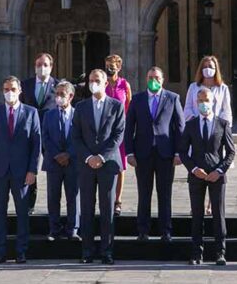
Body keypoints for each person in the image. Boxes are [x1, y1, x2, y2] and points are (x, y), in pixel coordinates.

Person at [0, 76, 41, 264]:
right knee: (0, 212)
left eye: (13, 89)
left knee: (22, 213)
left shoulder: (31, 113)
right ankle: (0, 251)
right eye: (6, 89)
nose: (9, 92)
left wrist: (33, 170)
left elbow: (36, 144)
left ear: (20, 90)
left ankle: (21, 251)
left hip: (22, 171)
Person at [125, 66, 184, 242]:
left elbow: (180, 127)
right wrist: (129, 152)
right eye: (150, 77)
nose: (154, 80)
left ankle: (166, 230)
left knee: (164, 194)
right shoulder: (137, 100)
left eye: (157, 77)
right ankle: (143, 230)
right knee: (144, 193)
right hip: (143, 153)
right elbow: (129, 128)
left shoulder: (173, 98)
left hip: (165, 153)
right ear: (146, 79)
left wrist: (178, 152)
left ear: (162, 79)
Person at [72, 69, 125, 265]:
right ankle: (87, 251)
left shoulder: (116, 106)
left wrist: (101, 157)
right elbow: (75, 136)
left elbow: (118, 135)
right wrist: (88, 157)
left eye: (97, 80)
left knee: (107, 209)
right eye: (91, 80)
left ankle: (107, 251)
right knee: (86, 208)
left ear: (105, 84)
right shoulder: (81, 107)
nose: (93, 83)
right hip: (86, 165)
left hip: (108, 164)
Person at [179, 88, 235, 266]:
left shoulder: (223, 124)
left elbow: (230, 152)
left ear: (213, 102)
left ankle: (220, 252)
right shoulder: (191, 124)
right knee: (197, 215)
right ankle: (197, 253)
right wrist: (193, 169)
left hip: (216, 175)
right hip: (197, 175)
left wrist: (219, 171)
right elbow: (182, 151)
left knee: (218, 214)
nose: (204, 104)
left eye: (207, 100)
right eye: (200, 101)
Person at [41, 81, 80, 240]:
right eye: (56, 94)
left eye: (62, 95)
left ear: (70, 96)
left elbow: (79, 137)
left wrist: (68, 154)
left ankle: (73, 229)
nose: (58, 97)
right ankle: (54, 229)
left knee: (73, 197)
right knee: (53, 197)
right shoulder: (48, 115)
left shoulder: (78, 114)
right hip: (53, 162)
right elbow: (45, 138)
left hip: (73, 162)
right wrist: (57, 154)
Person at [21, 52, 59, 214]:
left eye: (45, 65)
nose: (41, 68)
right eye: (38, 65)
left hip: (51, 135)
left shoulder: (58, 86)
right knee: (30, 168)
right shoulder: (25, 85)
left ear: (51, 67)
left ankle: (54, 206)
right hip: (30, 134)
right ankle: (29, 205)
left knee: (53, 170)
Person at [103, 54, 132, 216]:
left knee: (120, 166)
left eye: (113, 65)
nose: (110, 68)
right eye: (108, 65)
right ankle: (106, 198)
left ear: (119, 67)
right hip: (104, 130)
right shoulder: (102, 83)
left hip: (120, 130)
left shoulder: (124, 85)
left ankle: (117, 200)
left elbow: (128, 106)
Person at [183, 55, 233, 123]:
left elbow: (226, 110)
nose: (207, 69)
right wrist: (194, 121)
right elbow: (188, 107)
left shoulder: (223, 88)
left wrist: (220, 124)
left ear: (215, 69)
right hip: (197, 126)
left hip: (216, 126)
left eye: (210, 67)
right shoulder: (193, 87)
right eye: (205, 67)